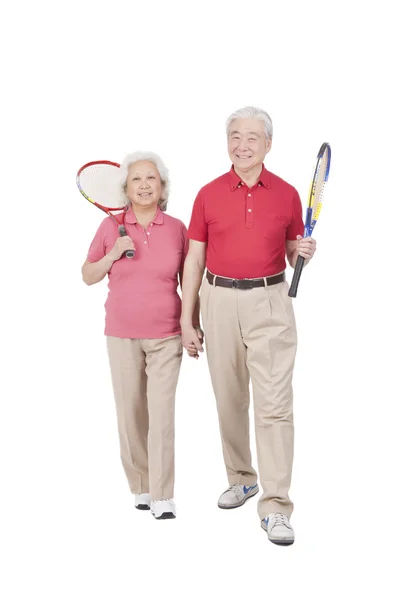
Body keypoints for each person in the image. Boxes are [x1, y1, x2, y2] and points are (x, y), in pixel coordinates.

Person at [181, 107, 316, 545]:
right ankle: (242, 478)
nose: (242, 144)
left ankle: (276, 506)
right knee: (229, 397)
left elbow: (293, 253)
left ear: (268, 144)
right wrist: (188, 318)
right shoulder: (207, 193)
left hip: (270, 301)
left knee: (275, 403)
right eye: (235, 136)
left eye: (252, 137)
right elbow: (194, 260)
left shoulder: (289, 194)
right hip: (216, 299)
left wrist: (303, 251)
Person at [82, 151, 201, 520]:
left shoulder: (178, 228)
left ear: (162, 186)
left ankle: (163, 494)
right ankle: (142, 486)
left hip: (166, 334)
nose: (144, 184)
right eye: (136, 179)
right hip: (121, 334)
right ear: (126, 188)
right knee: (131, 415)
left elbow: (190, 281)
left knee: (161, 415)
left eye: (151, 178)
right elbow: (88, 275)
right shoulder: (110, 229)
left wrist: (190, 324)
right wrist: (113, 254)